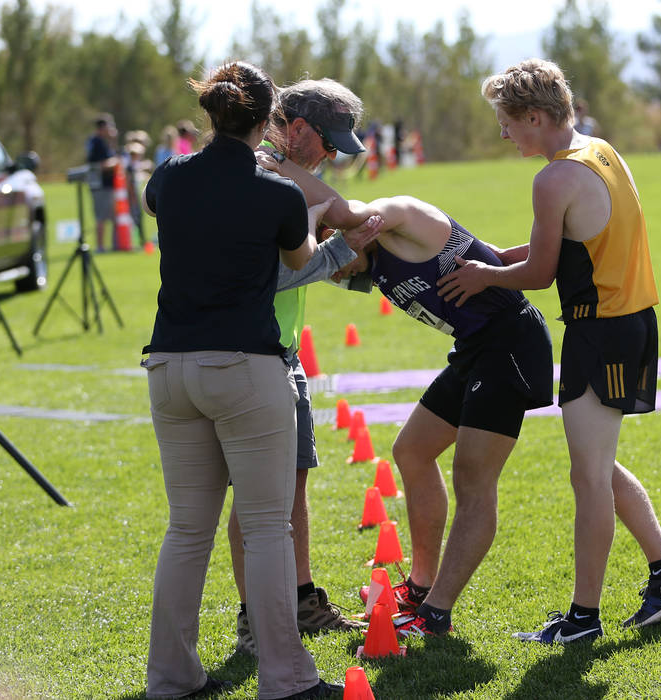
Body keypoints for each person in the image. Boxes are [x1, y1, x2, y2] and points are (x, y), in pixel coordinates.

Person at [437, 58, 661, 644]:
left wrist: (484, 278)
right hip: (628, 323)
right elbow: (566, 242)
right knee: (597, 465)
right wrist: (492, 257)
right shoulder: (600, 150)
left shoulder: (552, 178)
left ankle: (584, 619)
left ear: (534, 115)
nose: (504, 133)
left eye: (508, 121)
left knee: (588, 477)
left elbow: (541, 271)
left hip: (600, 330)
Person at [259, 153, 554, 639]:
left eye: (332, 255)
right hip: (477, 349)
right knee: (411, 451)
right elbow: (493, 255)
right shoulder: (374, 267)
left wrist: (279, 166)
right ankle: (420, 586)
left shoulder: (398, 214)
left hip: (511, 345)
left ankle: (434, 613)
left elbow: (341, 210)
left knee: (473, 482)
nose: (333, 271)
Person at [140, 61, 342, 699]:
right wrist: (332, 231)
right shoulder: (277, 193)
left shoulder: (168, 176)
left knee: (186, 530)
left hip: (169, 368)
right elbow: (302, 258)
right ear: (267, 123)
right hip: (246, 368)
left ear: (210, 113)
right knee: (265, 527)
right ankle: (284, 678)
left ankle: (170, 677)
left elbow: (169, 207)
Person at [227, 78, 374, 654]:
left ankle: (303, 599)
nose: (332, 156)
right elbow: (287, 262)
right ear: (295, 129)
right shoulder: (263, 174)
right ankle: (251, 618)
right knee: (255, 498)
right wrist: (337, 240)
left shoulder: (291, 176)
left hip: (284, 353)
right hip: (252, 355)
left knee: (291, 486)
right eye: (327, 143)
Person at [85, 113, 119, 252]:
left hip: (107, 184)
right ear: (102, 127)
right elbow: (97, 164)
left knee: (112, 216)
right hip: (100, 185)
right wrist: (114, 163)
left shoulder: (103, 142)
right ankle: (100, 246)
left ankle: (114, 245)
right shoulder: (97, 142)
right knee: (101, 217)